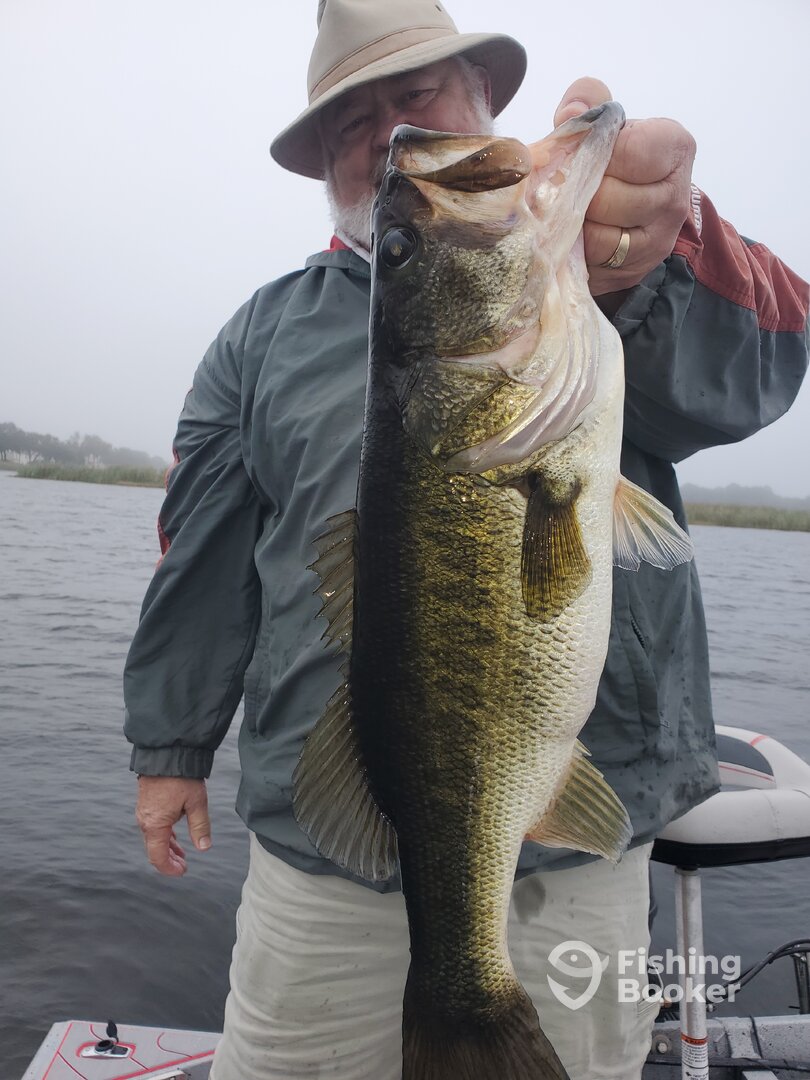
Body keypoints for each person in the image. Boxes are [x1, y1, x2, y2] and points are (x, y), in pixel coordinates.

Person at [123, 2, 810, 1078]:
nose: (391, 135)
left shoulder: (597, 272)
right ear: (325, 163)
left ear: (484, 99)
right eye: (352, 122)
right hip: (320, 854)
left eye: (416, 96)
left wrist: (660, 247)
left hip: (575, 853)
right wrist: (170, 748)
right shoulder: (260, 334)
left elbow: (765, 362)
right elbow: (202, 553)